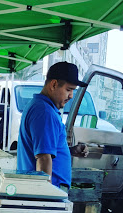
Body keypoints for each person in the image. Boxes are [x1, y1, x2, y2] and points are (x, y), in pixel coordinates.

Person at [17, 61, 89, 190]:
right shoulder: (44, 112)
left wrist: (70, 150)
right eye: (68, 90)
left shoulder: (39, 106)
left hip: (40, 188)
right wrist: (46, 197)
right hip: (49, 191)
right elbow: (43, 158)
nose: (71, 96)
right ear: (54, 84)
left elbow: (44, 149)